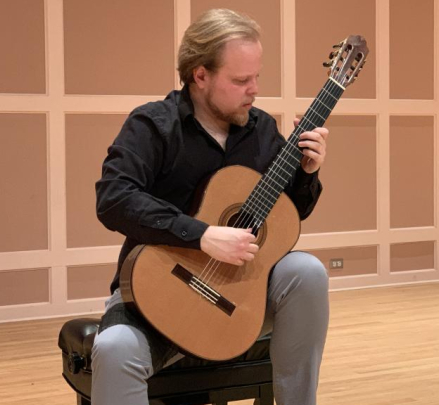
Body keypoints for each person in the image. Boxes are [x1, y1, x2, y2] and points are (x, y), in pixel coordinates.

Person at [92, 8, 330, 405]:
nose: (254, 90)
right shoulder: (153, 125)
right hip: (160, 288)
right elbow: (114, 198)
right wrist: (201, 235)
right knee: (114, 349)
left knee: (306, 271)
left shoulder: (262, 129)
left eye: (257, 77)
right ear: (200, 75)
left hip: (239, 294)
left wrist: (308, 171)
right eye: (240, 80)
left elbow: (289, 214)